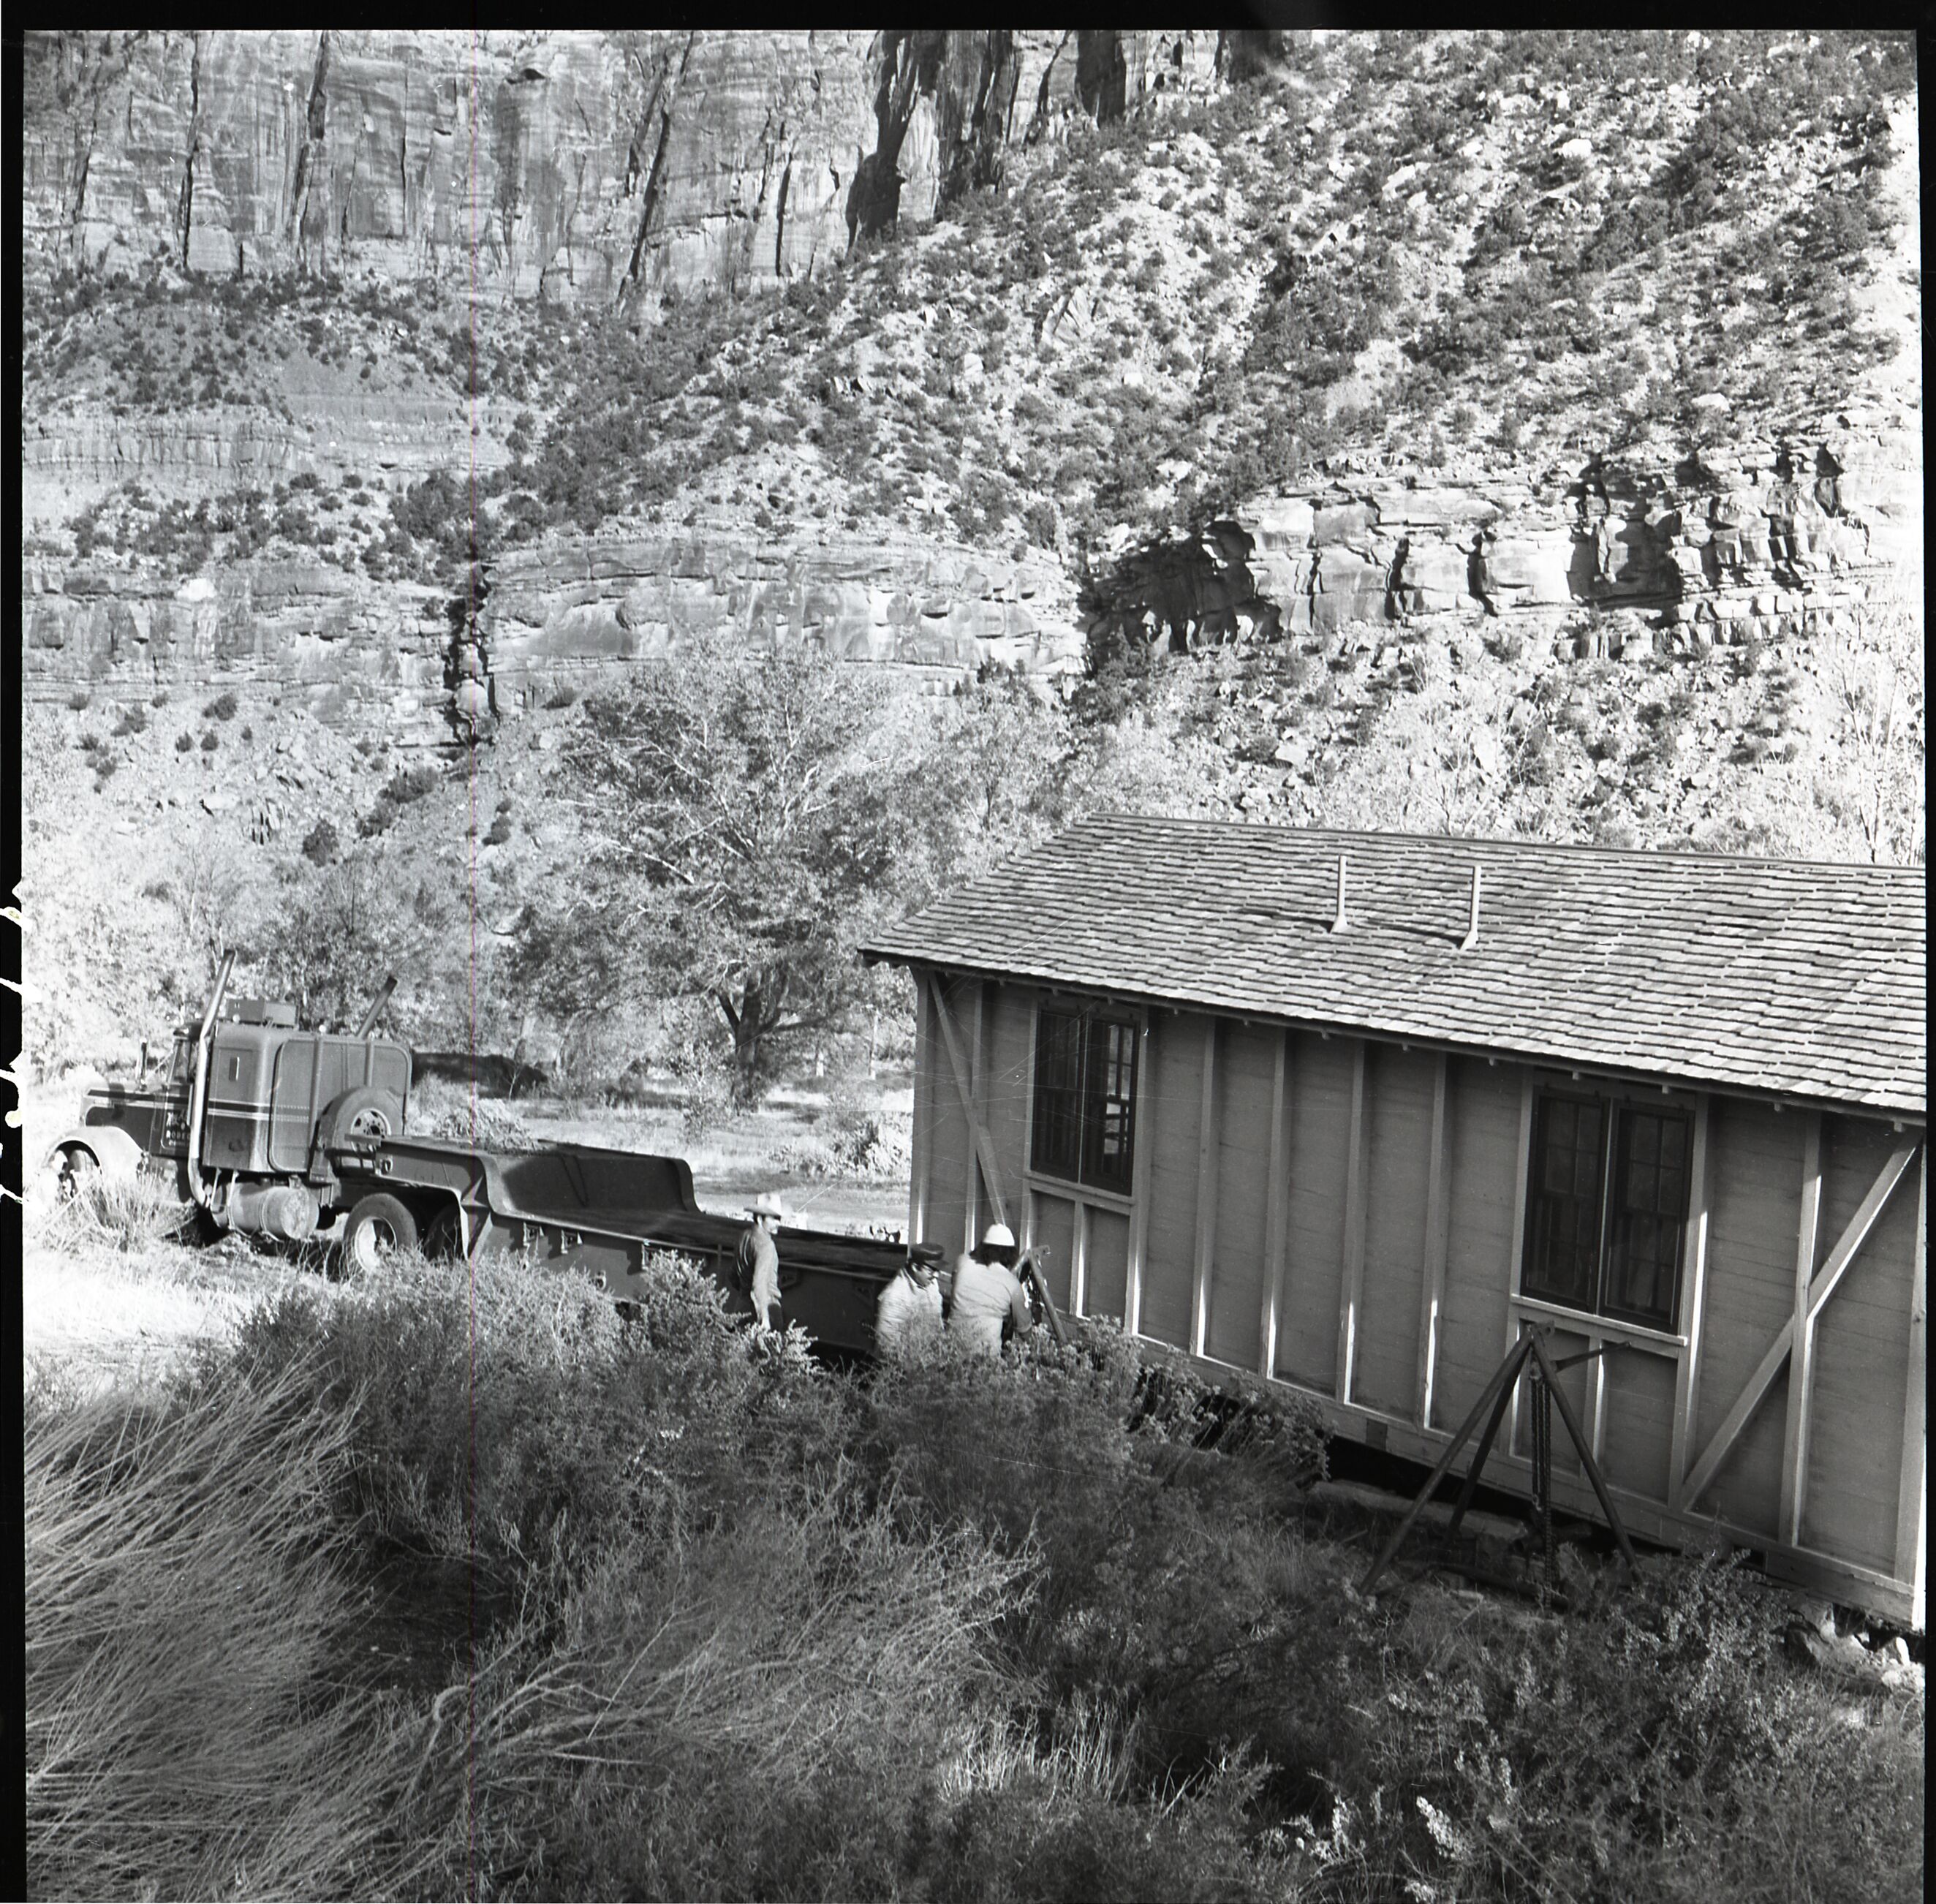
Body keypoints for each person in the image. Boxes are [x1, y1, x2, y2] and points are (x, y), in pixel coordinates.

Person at [948, 1223, 1037, 1358]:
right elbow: (1025, 1331)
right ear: (1010, 1253)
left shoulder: (961, 1262)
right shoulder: (1012, 1284)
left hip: (950, 1348)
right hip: (985, 1357)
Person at [875, 1243, 945, 1359]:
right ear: (915, 1267)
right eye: (931, 1270)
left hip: (928, 1357)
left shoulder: (930, 1283)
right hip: (904, 1363)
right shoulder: (895, 1296)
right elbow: (887, 1343)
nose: (936, 1275)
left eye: (937, 1270)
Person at [738, 1193, 784, 1331]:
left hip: (741, 1305)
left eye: (779, 1218)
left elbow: (732, 1275)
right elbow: (759, 1283)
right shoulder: (767, 1245)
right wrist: (765, 1316)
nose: (778, 1223)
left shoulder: (744, 1237)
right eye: (774, 1218)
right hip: (766, 1307)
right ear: (759, 1219)